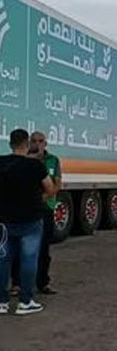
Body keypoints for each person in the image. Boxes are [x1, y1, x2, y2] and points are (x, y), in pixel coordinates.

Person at [0, 129, 57, 315]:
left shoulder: (1, 163)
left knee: (3, 260)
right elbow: (50, 189)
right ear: (27, 144)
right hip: (31, 220)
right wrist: (38, 198)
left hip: (5, 221)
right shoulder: (36, 166)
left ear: (10, 144)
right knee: (29, 260)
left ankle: (2, 302)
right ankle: (26, 301)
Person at [10, 131, 61, 296]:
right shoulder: (23, 161)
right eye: (34, 141)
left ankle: (42, 283)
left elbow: (56, 184)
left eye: (41, 141)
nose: (37, 144)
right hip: (25, 210)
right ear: (28, 143)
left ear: (45, 144)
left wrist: (40, 198)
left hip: (45, 208)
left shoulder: (53, 160)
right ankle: (17, 284)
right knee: (19, 249)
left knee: (43, 249)